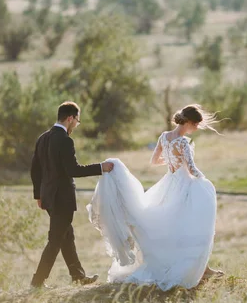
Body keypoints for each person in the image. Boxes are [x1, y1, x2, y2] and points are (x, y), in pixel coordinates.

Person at [87, 104, 224, 291]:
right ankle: (196, 270)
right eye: (196, 125)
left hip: (169, 183)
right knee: (193, 227)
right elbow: (192, 169)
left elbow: (154, 161)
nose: (197, 128)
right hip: (184, 186)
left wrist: (171, 161)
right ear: (190, 122)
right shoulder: (183, 142)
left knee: (177, 228)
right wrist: (205, 181)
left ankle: (204, 268)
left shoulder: (164, 137)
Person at [30, 101, 114, 289]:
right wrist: (101, 167)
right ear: (70, 118)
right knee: (55, 240)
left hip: (49, 198)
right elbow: (73, 170)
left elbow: (35, 170)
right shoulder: (65, 140)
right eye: (77, 120)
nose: (77, 124)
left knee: (67, 236)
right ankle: (37, 282)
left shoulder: (42, 138)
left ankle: (78, 276)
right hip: (62, 199)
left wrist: (39, 195)